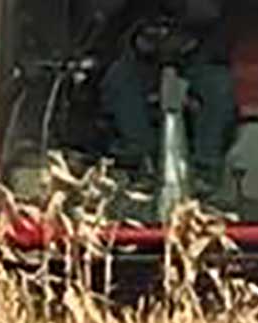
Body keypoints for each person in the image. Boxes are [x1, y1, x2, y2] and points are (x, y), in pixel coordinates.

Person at [91, 0, 236, 196]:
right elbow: (114, 27)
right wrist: (138, 42)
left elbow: (219, 28)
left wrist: (187, 42)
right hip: (144, 61)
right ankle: (141, 162)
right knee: (118, 80)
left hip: (199, 58)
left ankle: (206, 169)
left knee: (219, 87)